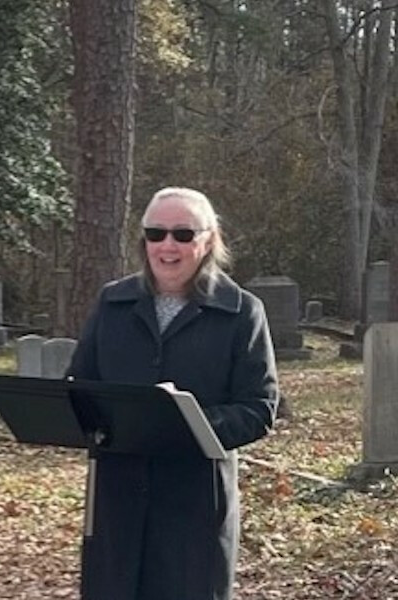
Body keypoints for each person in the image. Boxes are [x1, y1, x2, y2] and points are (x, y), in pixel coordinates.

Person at [67, 187, 279, 600]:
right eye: (156, 233)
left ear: (208, 240)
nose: (168, 245)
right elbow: (80, 384)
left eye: (183, 234)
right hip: (118, 499)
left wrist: (186, 423)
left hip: (194, 502)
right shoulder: (112, 303)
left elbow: (259, 408)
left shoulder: (241, 312)